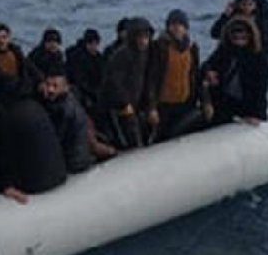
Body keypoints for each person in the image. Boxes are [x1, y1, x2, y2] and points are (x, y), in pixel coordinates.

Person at [37, 61, 108, 174]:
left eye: (55, 86)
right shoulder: (70, 100)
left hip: (74, 162)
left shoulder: (63, 110)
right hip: (80, 155)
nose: (50, 90)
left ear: (65, 87)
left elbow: (56, 140)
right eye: (48, 85)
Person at [201, 17, 268, 126]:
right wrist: (209, 72)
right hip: (222, 104)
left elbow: (261, 88)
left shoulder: (259, 59)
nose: (239, 37)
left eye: (243, 34)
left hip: (246, 107)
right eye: (235, 34)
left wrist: (257, 114)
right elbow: (206, 65)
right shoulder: (223, 52)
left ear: (251, 35)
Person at [146, 9, 202, 142]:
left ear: (186, 28)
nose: (176, 28)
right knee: (162, 137)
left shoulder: (192, 48)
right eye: (173, 25)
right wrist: (152, 108)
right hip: (164, 104)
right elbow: (151, 79)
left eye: (180, 25)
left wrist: (204, 100)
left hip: (185, 101)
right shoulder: (159, 47)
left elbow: (195, 75)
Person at [101, 17, 155, 150]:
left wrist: (150, 105)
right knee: (129, 139)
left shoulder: (146, 54)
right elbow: (114, 83)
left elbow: (147, 80)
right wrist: (125, 103)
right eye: (140, 37)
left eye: (146, 37)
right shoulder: (121, 56)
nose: (143, 41)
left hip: (136, 103)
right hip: (118, 107)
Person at [0, 22, 30, 104]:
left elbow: (27, 68)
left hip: (21, 89)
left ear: (9, 38)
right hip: (1, 94)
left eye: (4, 37)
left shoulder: (16, 52)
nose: (1, 41)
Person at [65, 28, 105, 112]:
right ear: (86, 43)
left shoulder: (99, 58)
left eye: (96, 44)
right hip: (80, 90)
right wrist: (93, 92)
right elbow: (79, 80)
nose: (94, 47)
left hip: (95, 89)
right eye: (91, 44)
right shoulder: (78, 57)